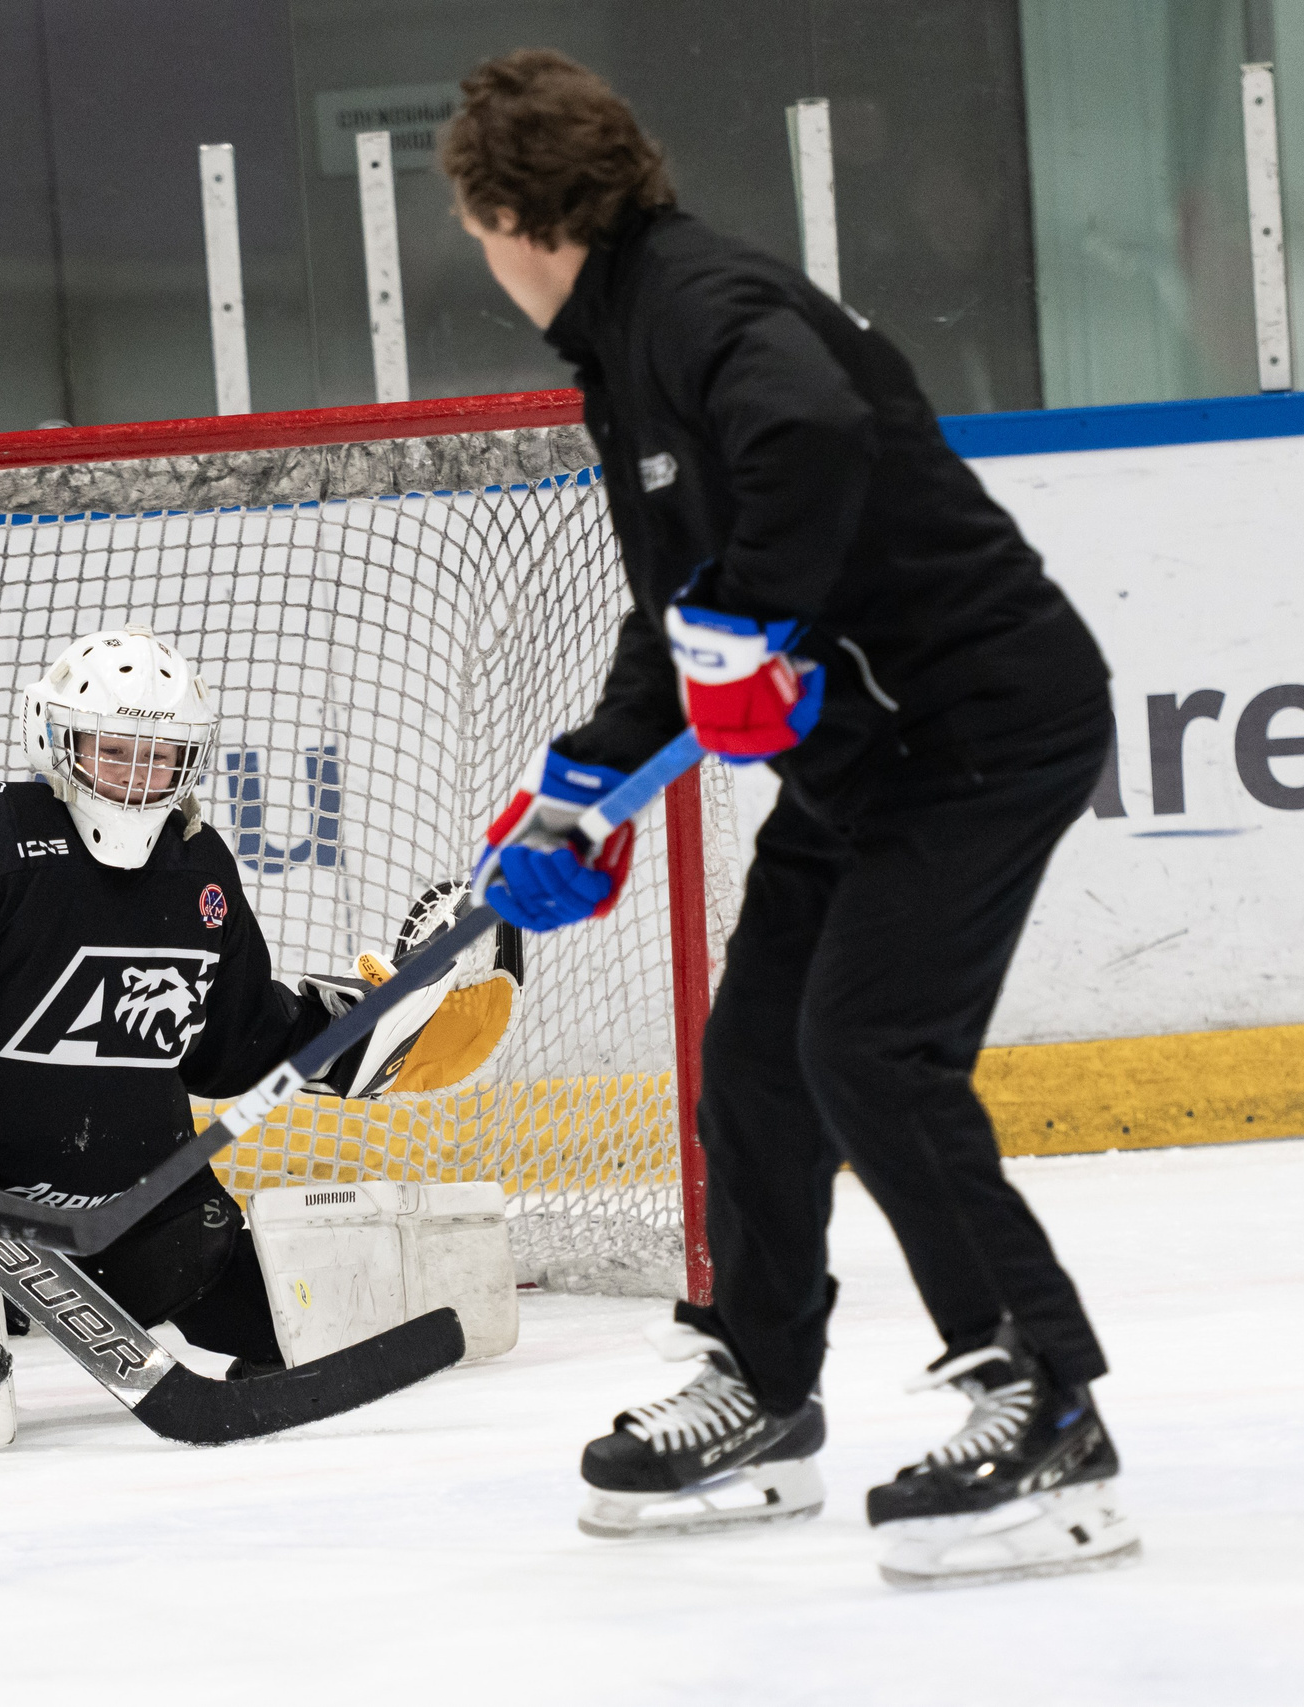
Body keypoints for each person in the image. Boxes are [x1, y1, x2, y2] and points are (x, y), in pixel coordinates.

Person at [444, 50, 1138, 1586]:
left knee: (871, 1050)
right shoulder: (628, 345)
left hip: (979, 722)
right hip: (873, 755)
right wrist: (583, 779)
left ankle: (1043, 1397)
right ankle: (761, 1385)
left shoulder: (695, 302)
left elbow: (808, 439)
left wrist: (750, 623)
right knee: (758, 1057)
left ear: (507, 216)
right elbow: (682, 609)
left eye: (476, 227)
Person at [0, 625, 483, 1375]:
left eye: (160, 756)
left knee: (289, 1344)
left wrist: (355, 1034)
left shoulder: (196, 866)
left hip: (143, 1207)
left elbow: (233, 1044)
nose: (137, 778)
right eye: (114, 749)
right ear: (55, 739)